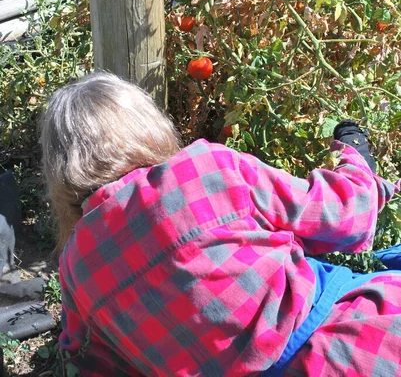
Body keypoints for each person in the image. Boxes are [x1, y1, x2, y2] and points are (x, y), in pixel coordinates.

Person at [40, 72, 401, 377]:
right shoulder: (201, 169)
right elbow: (340, 216)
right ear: (143, 127)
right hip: (346, 345)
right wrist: (355, 159)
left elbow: (87, 359)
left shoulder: (75, 267)